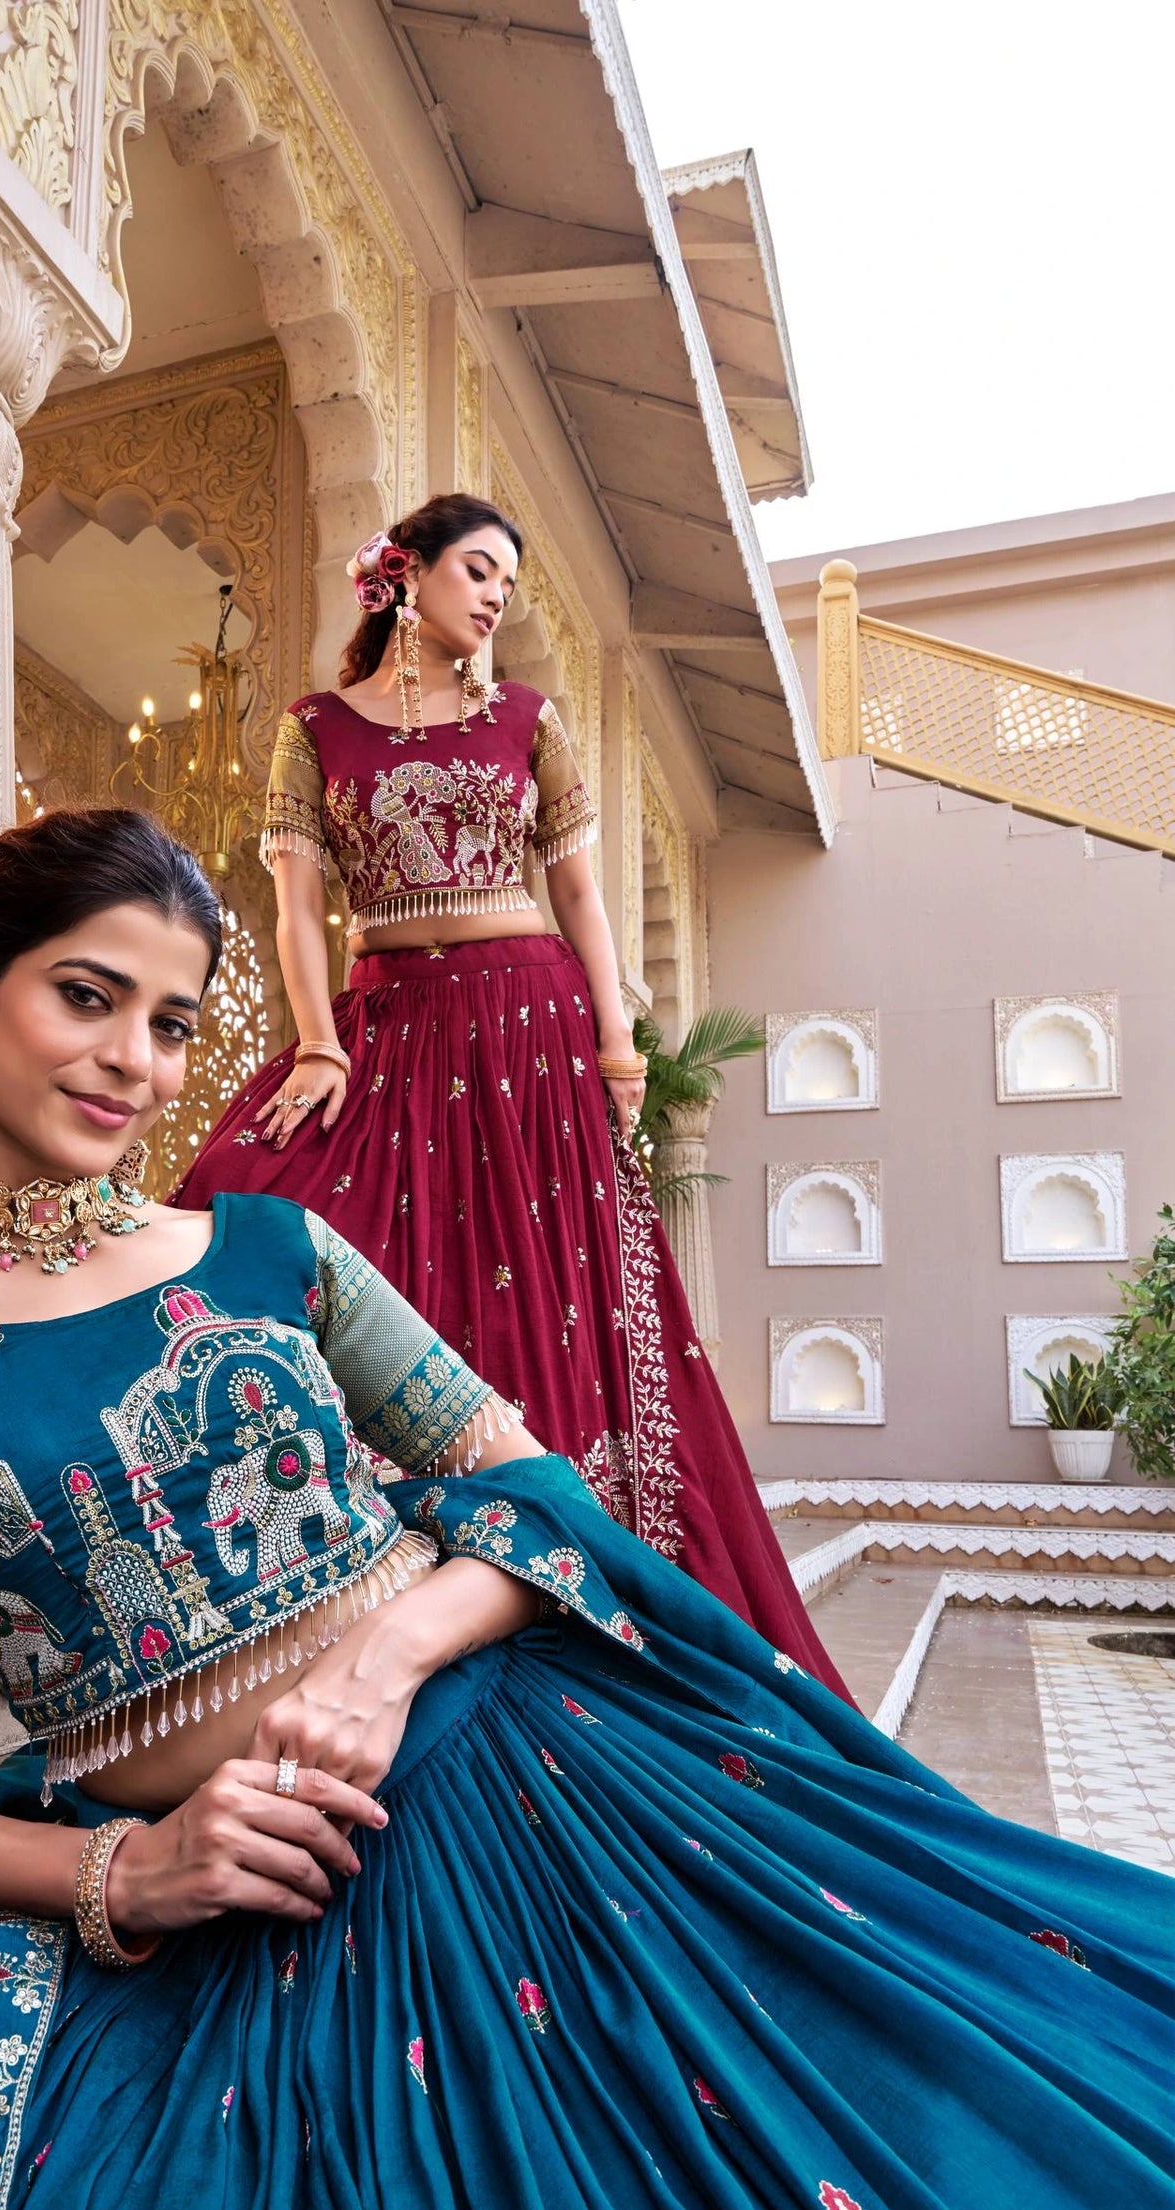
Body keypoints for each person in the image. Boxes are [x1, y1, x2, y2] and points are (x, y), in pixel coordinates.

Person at [0, 809, 1170, 2210]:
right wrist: (117, 1874)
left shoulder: (274, 1250)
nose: (133, 1056)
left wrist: (385, 1663)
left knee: (894, 2163)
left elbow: (544, 1494)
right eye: (88, 995)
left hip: (540, 1777)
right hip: (239, 1897)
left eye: (175, 1021)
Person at [175, 496, 842, 1694]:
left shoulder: (529, 718)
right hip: (392, 1021)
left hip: (529, 1021)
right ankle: (372, 1561)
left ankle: (580, 1570)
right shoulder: (313, 728)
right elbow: (291, 905)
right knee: (249, 1205)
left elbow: (583, 897)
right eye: (478, 571)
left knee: (546, 1279)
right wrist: (317, 1045)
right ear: (406, 574)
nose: (494, 599)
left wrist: (617, 1044)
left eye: (509, 584)